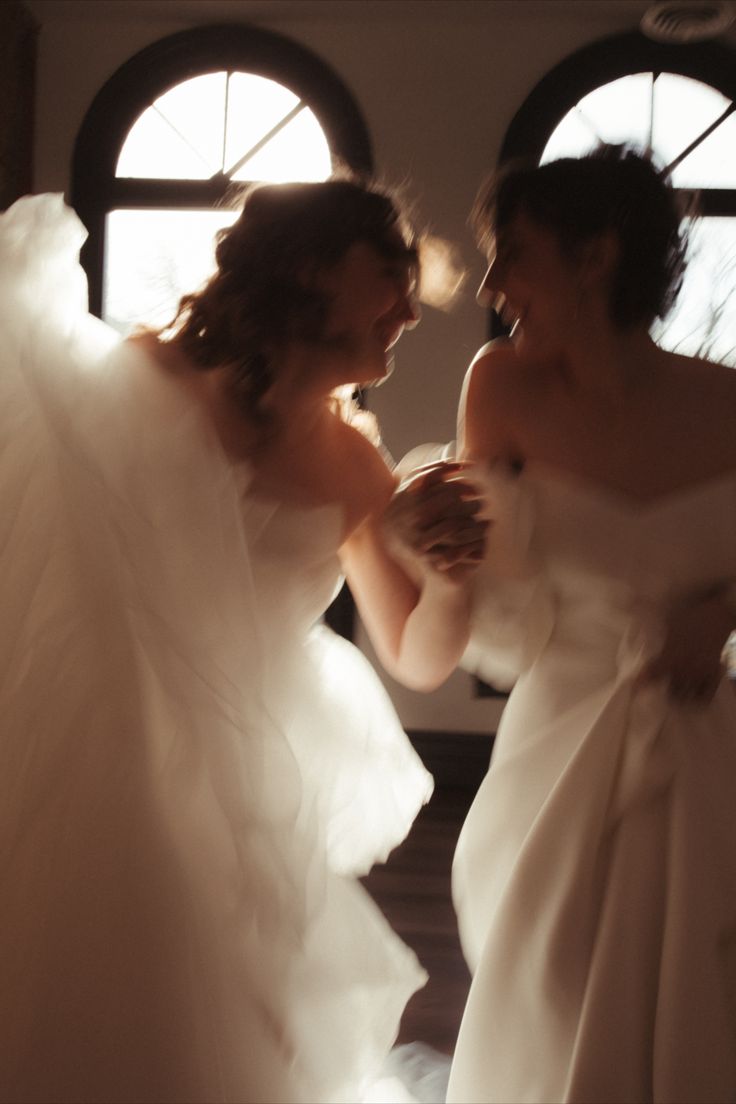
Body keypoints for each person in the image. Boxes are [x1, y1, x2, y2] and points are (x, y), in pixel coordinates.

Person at [0, 177, 444, 1104]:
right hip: (95, 753)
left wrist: (448, 567)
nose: (409, 307)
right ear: (304, 270)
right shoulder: (137, 381)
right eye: (388, 279)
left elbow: (417, 656)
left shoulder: (358, 465)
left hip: (248, 793)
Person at [377, 145, 736, 1103]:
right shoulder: (499, 385)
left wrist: (722, 614)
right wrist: (427, 522)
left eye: (514, 254)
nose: (493, 284)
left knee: (703, 974)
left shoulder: (729, 401)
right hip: (558, 727)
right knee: (548, 973)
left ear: (597, 257)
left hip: (700, 729)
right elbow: (485, 578)